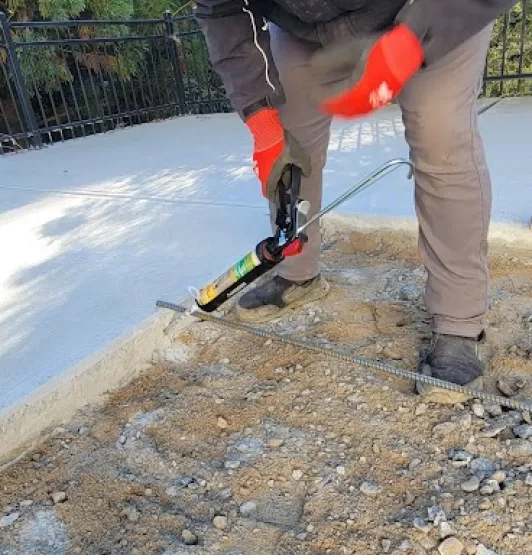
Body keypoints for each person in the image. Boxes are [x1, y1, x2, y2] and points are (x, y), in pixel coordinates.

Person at [195, 0, 517, 403]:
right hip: (307, 28)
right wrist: (262, 122)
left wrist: (409, 41)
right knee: (288, 136)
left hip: (433, 7)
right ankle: (298, 271)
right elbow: (222, 10)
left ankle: (458, 321)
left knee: (441, 138)